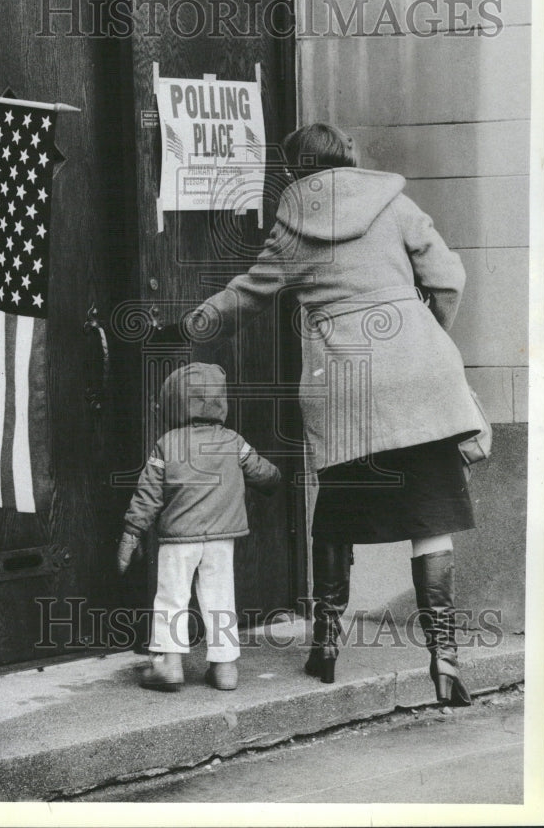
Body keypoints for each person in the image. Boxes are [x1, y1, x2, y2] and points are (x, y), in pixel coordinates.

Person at [185, 122, 483, 707]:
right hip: (421, 377)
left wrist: (188, 325)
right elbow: (449, 278)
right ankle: (445, 662)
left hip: (344, 386)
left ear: (296, 171)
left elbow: (246, 296)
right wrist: (424, 342)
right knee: (431, 521)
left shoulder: (292, 228)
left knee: (337, 515)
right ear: (348, 159)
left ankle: (325, 646)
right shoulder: (394, 203)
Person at [117, 362, 281, 692]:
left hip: (179, 538)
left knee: (172, 597)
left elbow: (147, 494)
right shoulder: (234, 441)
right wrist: (276, 480)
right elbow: (263, 472)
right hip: (222, 538)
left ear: (173, 403)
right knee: (220, 597)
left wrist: (131, 533)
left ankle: (170, 663)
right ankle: (224, 667)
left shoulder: (166, 444)